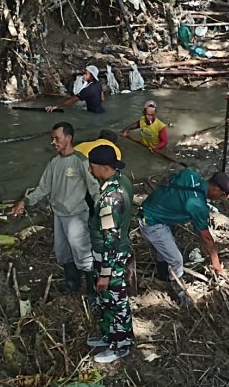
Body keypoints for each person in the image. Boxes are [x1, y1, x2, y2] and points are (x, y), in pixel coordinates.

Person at [10, 122, 100, 294]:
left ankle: (92, 292)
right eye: (52, 139)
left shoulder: (81, 161)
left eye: (57, 138)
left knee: (84, 255)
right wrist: (25, 201)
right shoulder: (54, 162)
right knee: (64, 252)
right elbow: (44, 187)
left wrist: (102, 213)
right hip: (59, 215)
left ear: (69, 138)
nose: (53, 142)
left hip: (76, 215)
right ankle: (72, 284)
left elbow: (94, 188)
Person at [139, 168, 229, 306]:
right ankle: (181, 293)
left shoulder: (192, 175)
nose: (222, 198)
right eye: (223, 194)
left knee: (164, 249)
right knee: (177, 260)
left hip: (153, 208)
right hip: (152, 222)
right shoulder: (197, 205)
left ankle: (162, 275)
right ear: (216, 189)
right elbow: (206, 238)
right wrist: (217, 265)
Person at [86, 145, 134, 363]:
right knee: (106, 299)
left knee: (116, 300)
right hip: (112, 254)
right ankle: (109, 335)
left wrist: (105, 273)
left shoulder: (109, 199)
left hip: (111, 257)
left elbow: (110, 239)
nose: (89, 169)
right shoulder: (122, 180)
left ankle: (121, 345)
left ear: (104, 167)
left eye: (92, 166)